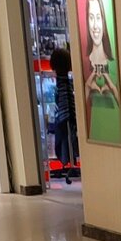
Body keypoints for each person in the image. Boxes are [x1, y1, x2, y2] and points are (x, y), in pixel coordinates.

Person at [83, 0, 120, 107]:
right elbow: (81, 108)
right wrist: (88, 85)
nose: (95, 25)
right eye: (91, 17)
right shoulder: (84, 63)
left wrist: (112, 87)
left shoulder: (115, 64)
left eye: (98, 18)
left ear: (103, 20)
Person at [49, 47, 78, 184]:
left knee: (64, 140)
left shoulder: (61, 84)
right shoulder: (67, 82)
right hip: (69, 118)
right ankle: (70, 161)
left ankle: (68, 161)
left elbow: (63, 103)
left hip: (64, 119)